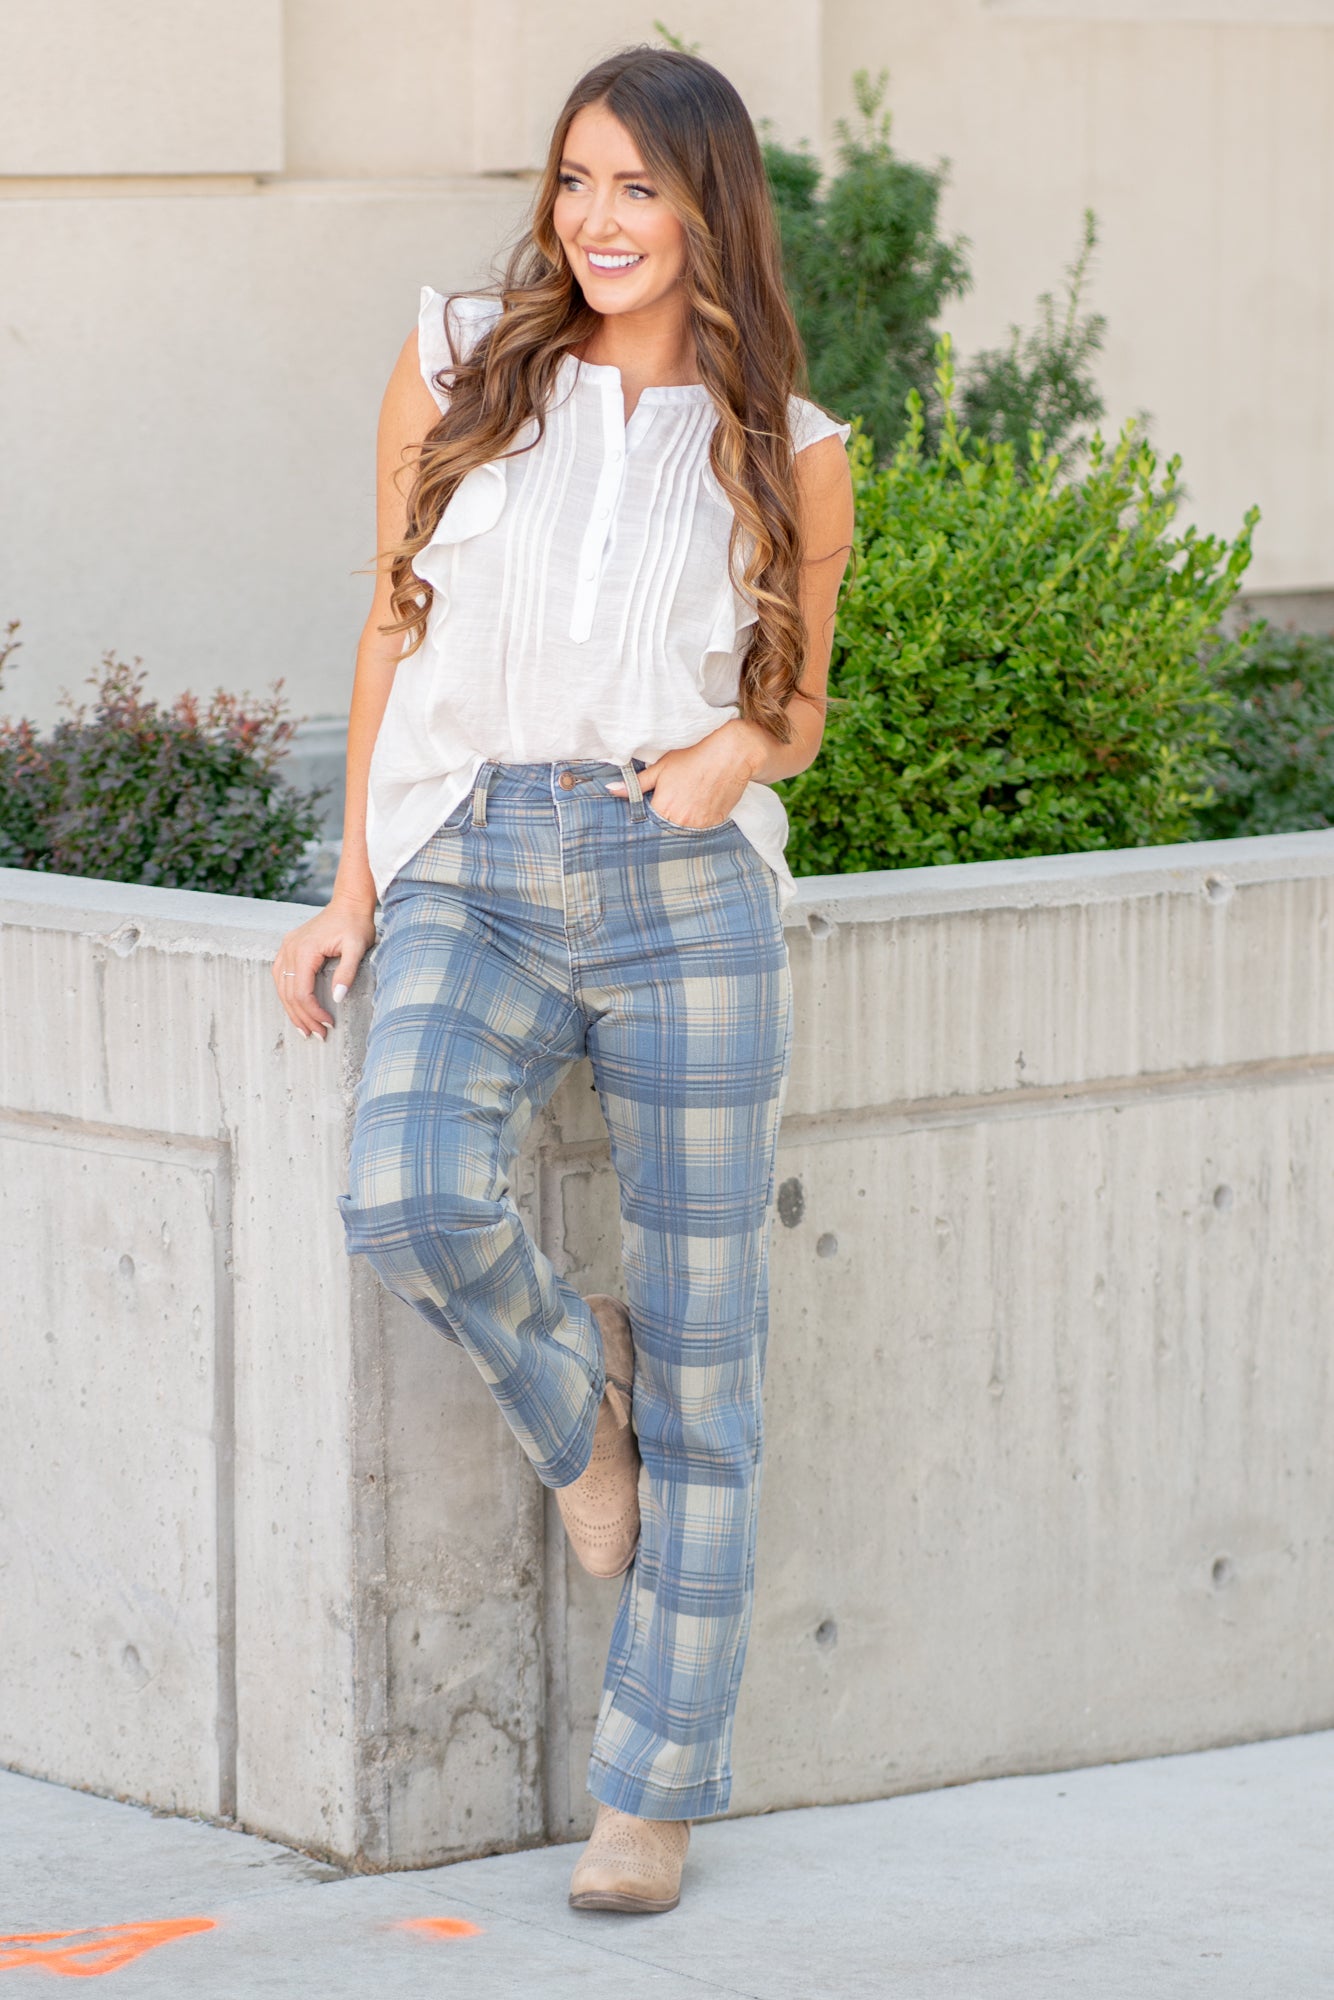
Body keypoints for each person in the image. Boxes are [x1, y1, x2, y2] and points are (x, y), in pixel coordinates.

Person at [271, 43, 853, 1916]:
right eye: (575, 180)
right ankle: (573, 1405)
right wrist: (350, 883)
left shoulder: (788, 443)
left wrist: (730, 756)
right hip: (475, 860)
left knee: (711, 1359)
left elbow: (798, 705)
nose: (598, 221)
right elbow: (392, 616)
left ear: (708, 209)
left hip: (683, 887)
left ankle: (649, 1798)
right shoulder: (459, 361)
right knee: (407, 1192)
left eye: (639, 189)